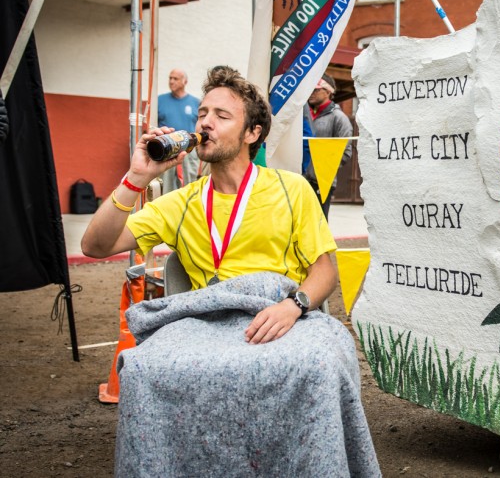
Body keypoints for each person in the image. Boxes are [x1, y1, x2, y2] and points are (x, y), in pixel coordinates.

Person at [82, 65, 337, 343]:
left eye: (221, 116)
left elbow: (324, 271)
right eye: (202, 114)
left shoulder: (292, 189)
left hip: (275, 323)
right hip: (207, 332)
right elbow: (96, 246)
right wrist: (135, 178)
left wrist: (293, 306)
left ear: (252, 133)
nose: (205, 123)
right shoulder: (180, 203)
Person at [304, 73, 353, 218]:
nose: (311, 93)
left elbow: (345, 151)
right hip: (300, 179)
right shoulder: (305, 115)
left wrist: (323, 168)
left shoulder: (339, 118)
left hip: (322, 182)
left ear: (328, 92)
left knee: (319, 224)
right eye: (310, 89)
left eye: (316, 89)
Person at [157, 68, 201, 193]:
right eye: (170, 78)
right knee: (166, 186)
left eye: (175, 79)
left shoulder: (195, 103)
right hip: (167, 148)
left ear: (184, 81)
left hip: (189, 149)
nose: (171, 81)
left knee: (189, 184)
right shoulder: (160, 101)